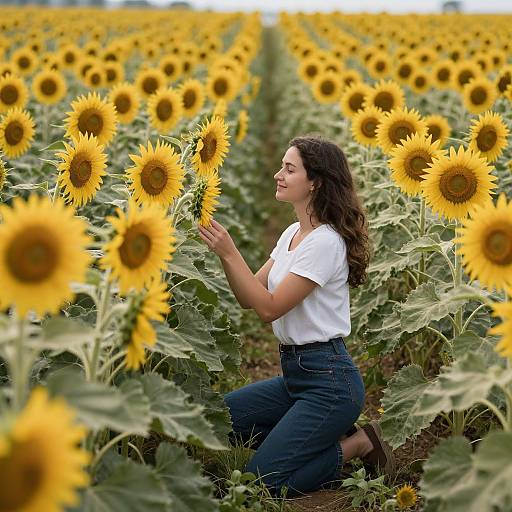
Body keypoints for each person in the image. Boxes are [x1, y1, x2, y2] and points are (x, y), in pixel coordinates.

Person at [197, 134, 395, 498]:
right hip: (294, 378)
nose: (278, 174)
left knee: (260, 484)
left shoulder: (325, 242)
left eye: (289, 169)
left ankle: (358, 444)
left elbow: (270, 307)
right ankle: (319, 435)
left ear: (315, 182)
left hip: (330, 382)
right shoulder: (292, 234)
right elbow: (249, 297)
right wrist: (223, 255)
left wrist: (230, 253)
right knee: (216, 422)